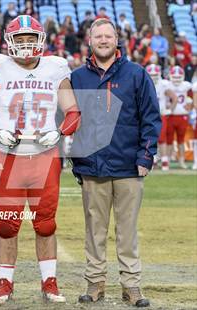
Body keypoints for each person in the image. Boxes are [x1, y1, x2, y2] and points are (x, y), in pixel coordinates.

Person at [0, 15, 80, 304]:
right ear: (10, 42)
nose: (27, 44)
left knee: (45, 224)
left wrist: (57, 133)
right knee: (7, 225)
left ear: (41, 41)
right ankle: (5, 284)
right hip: (8, 158)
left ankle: (50, 283)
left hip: (45, 156)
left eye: (31, 38)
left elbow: (73, 112)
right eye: (20, 39)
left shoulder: (55, 68)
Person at [71, 18, 160, 307]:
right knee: (94, 230)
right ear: (90, 40)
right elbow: (70, 122)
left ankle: (131, 287)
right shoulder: (77, 78)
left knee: (127, 231)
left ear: (117, 39)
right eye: (99, 36)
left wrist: (146, 155)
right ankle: (95, 284)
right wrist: (76, 159)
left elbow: (150, 117)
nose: (104, 40)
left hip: (129, 167)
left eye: (109, 36)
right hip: (92, 167)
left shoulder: (137, 74)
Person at [146, 64, 177, 171]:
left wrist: (170, 110)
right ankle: (153, 160)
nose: (153, 77)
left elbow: (174, 98)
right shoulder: (144, 82)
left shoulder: (163, 84)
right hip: (147, 115)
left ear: (159, 74)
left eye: (155, 75)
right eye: (152, 75)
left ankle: (164, 161)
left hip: (160, 114)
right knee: (149, 138)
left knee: (162, 138)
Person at [166, 65, 193, 169]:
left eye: (178, 77)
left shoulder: (186, 85)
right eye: (175, 76)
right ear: (171, 76)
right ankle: (167, 160)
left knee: (181, 140)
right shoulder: (167, 85)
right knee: (169, 140)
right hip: (171, 116)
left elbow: (191, 97)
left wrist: (190, 105)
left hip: (182, 115)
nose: (177, 79)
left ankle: (181, 160)